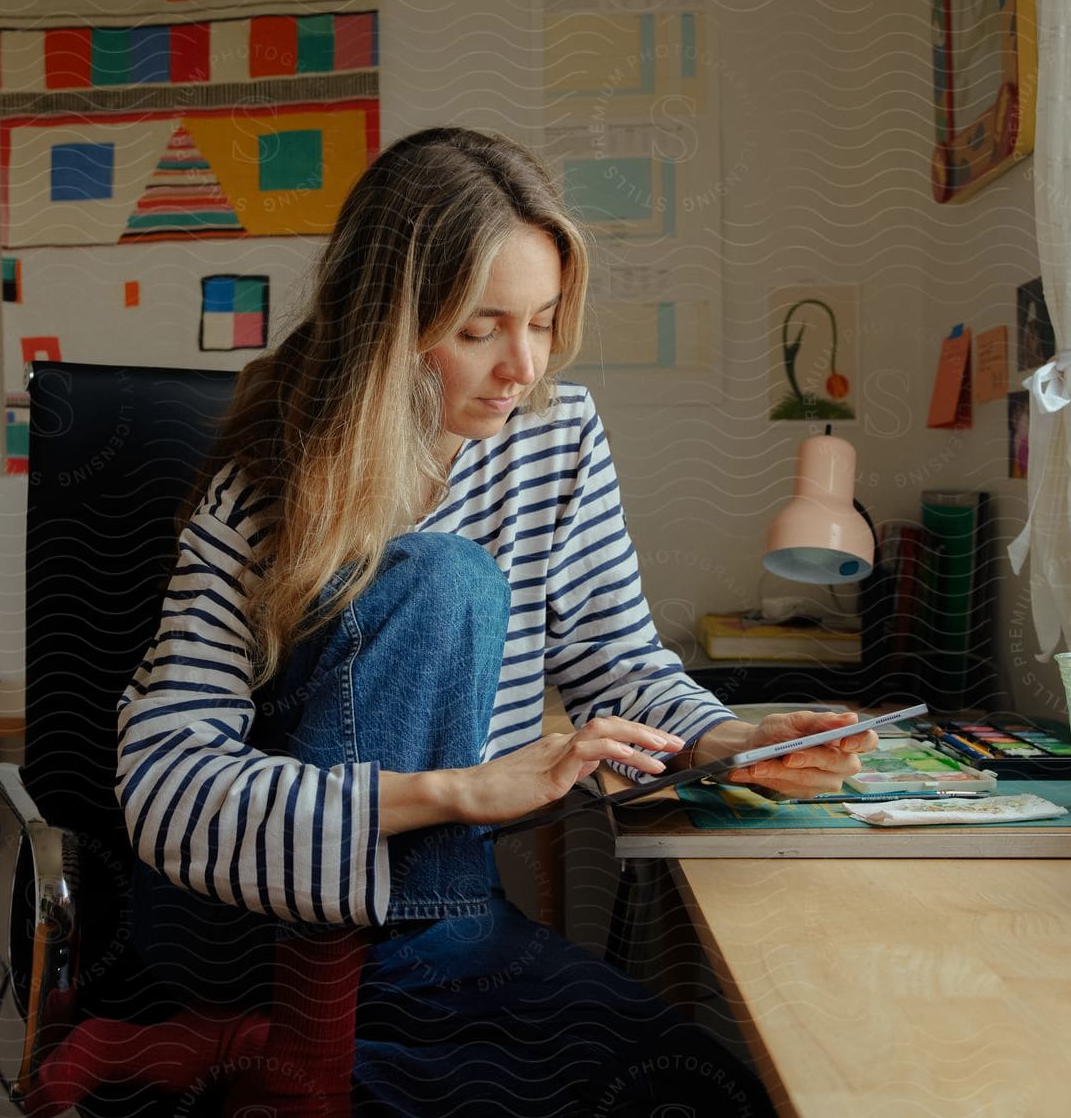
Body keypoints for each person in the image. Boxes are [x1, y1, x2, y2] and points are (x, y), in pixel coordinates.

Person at [112, 127, 878, 1116]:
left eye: (546, 320)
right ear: (387, 323)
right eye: (481, 329)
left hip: (452, 924)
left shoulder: (557, 436)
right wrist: (457, 791)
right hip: (259, 931)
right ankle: (331, 1032)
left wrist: (726, 738)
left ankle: (358, 1051)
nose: (523, 366)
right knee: (447, 578)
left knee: (709, 1094)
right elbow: (165, 786)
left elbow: (614, 658)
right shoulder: (261, 491)